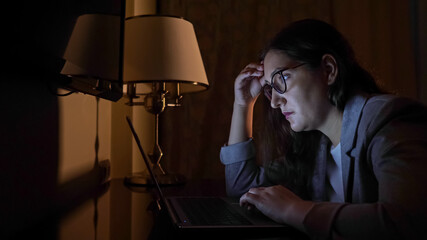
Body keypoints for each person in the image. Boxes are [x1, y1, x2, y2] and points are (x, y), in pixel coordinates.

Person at [220, 19, 427, 239]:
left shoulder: (388, 119)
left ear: (328, 70)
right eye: (270, 88)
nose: (274, 102)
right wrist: (243, 105)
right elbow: (241, 190)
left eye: (282, 78)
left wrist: (293, 210)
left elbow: (408, 222)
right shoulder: (316, 144)